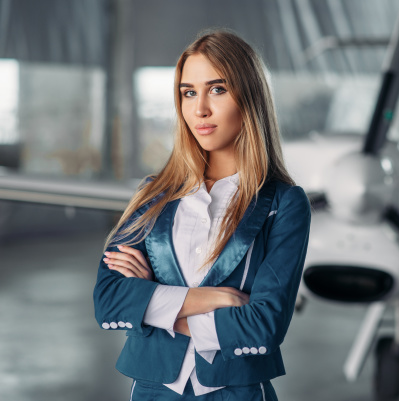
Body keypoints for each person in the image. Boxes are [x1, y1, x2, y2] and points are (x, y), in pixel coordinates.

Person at [93, 29, 311, 401]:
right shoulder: (153, 194)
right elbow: (109, 299)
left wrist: (153, 303)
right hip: (152, 389)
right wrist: (210, 298)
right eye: (189, 92)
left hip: (238, 391)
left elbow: (263, 326)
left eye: (218, 89)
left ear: (250, 96)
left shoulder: (284, 203)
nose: (200, 110)